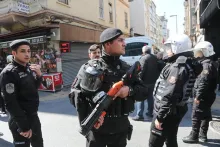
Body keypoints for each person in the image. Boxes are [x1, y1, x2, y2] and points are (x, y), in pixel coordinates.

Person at [70, 28, 148, 147]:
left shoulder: (127, 69)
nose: (124, 43)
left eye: (124, 40)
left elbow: (144, 91)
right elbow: (75, 95)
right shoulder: (90, 68)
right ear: (107, 44)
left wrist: (129, 91)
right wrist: (91, 114)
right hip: (96, 131)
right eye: (120, 40)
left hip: (120, 130)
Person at [148, 34, 202, 147]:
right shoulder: (184, 63)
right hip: (174, 110)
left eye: (170, 47)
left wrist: (160, 117)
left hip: (167, 112)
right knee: (170, 139)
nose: (167, 50)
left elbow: (171, 94)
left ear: (178, 47)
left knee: (154, 143)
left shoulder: (178, 67)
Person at [0, 39, 44, 147]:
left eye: (28, 51)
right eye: (23, 51)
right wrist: (24, 126)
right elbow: (10, 103)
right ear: (14, 53)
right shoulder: (8, 73)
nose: (27, 54)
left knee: (38, 144)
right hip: (19, 119)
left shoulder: (28, 68)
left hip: (33, 116)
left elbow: (34, 87)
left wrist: (39, 75)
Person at [182, 41, 218, 143]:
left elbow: (203, 82)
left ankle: (194, 136)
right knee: (205, 115)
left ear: (205, 52)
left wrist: (197, 96)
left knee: (196, 115)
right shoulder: (211, 63)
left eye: (199, 52)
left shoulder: (206, 65)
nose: (197, 55)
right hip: (209, 95)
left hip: (203, 96)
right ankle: (203, 136)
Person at [133, 46, 160, 121]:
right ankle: (150, 112)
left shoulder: (144, 58)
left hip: (144, 81)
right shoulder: (155, 58)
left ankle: (139, 115)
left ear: (143, 51)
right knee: (150, 97)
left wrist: (138, 80)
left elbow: (142, 70)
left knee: (140, 97)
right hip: (153, 81)